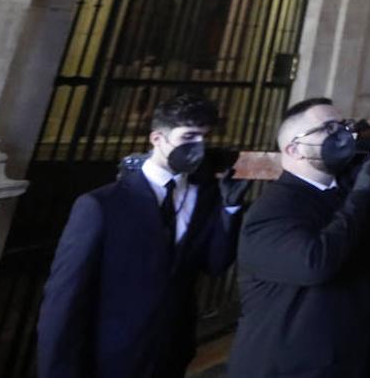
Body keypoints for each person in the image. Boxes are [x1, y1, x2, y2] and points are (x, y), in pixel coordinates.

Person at [38, 93, 244, 378]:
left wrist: (230, 210)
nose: (199, 147)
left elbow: (215, 263)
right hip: (109, 355)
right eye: (189, 137)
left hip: (171, 351)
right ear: (157, 138)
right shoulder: (101, 205)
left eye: (204, 138)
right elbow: (64, 298)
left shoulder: (205, 195)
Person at [230, 98, 370, 378]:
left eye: (343, 126)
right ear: (294, 148)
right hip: (287, 368)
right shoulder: (271, 211)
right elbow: (315, 263)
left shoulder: (341, 196)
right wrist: (360, 195)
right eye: (328, 128)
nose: (342, 135)